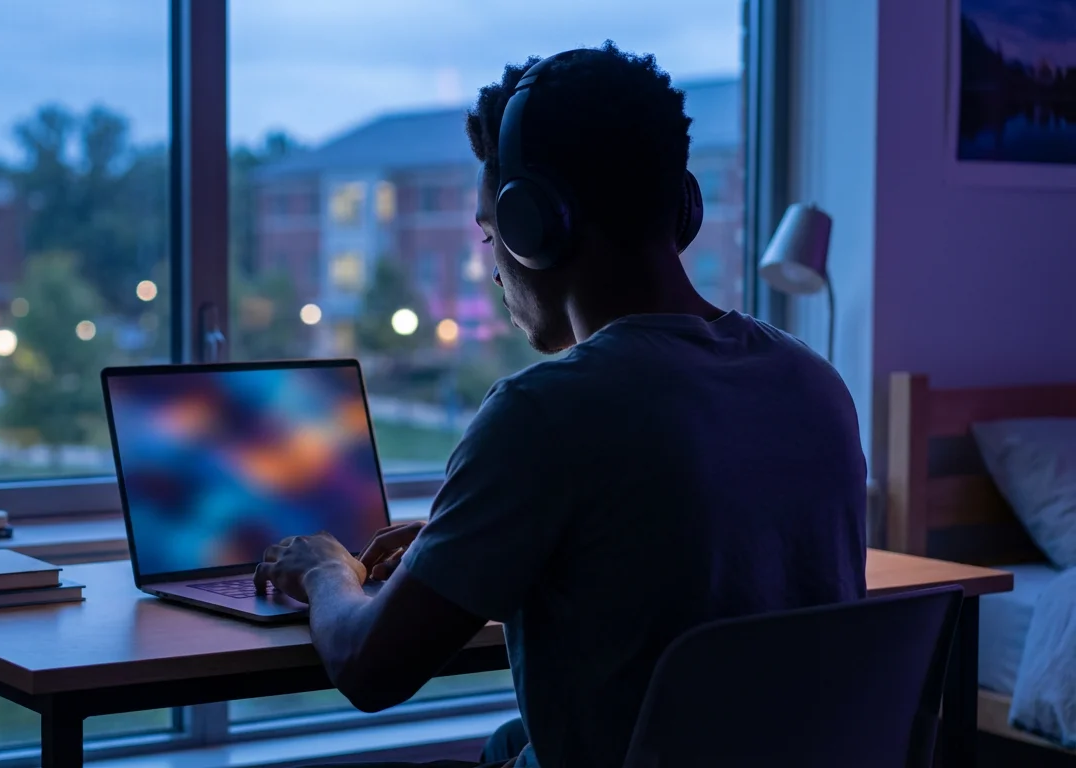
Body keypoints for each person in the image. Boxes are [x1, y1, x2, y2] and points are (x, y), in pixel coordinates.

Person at [254, 41, 866, 768]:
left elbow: (368, 667)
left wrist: (326, 567)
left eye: (490, 232)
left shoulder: (544, 415)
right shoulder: (813, 382)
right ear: (682, 208)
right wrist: (464, 540)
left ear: (531, 225)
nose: (491, 266)